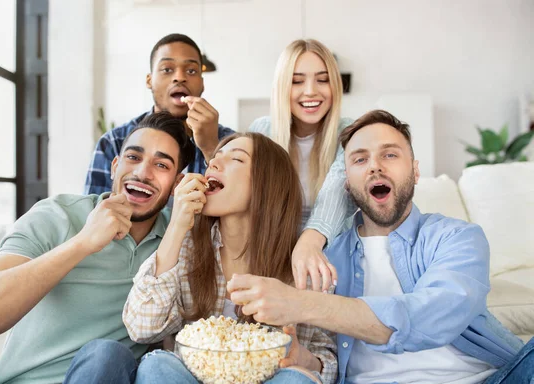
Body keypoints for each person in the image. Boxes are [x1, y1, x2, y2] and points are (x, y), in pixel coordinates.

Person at [228, 110, 533, 383]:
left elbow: (433, 317)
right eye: (360, 159)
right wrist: (305, 360)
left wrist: (298, 302)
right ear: (346, 182)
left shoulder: (456, 237)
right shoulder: (324, 259)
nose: (374, 167)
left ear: (415, 171)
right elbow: (321, 359)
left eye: (389, 155)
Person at [0, 112, 196, 384]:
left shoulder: (178, 243)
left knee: (110, 355)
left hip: (107, 374)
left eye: (161, 165)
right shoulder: (57, 215)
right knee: (107, 354)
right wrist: (83, 242)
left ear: (176, 184)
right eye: (133, 157)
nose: (142, 172)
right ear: (114, 167)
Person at [123, 132, 338, 384]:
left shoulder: (304, 264)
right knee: (157, 365)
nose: (213, 163)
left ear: (267, 183)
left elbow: (327, 361)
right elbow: (142, 328)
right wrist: (176, 226)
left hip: (269, 379)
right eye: (214, 159)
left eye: (236, 159)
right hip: (191, 378)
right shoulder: (185, 247)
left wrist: (305, 359)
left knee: (297, 380)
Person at [249, 39, 354, 293]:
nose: (310, 91)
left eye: (322, 79)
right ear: (282, 86)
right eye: (297, 81)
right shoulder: (262, 130)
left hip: (332, 261)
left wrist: (310, 240)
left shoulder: (350, 132)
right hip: (270, 260)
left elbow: (337, 191)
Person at [85, 33, 235, 195]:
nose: (179, 77)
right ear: (149, 80)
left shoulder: (232, 143)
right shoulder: (114, 142)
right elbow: (95, 214)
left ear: (202, 83)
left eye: (191, 71)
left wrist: (211, 148)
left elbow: (246, 211)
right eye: (167, 69)